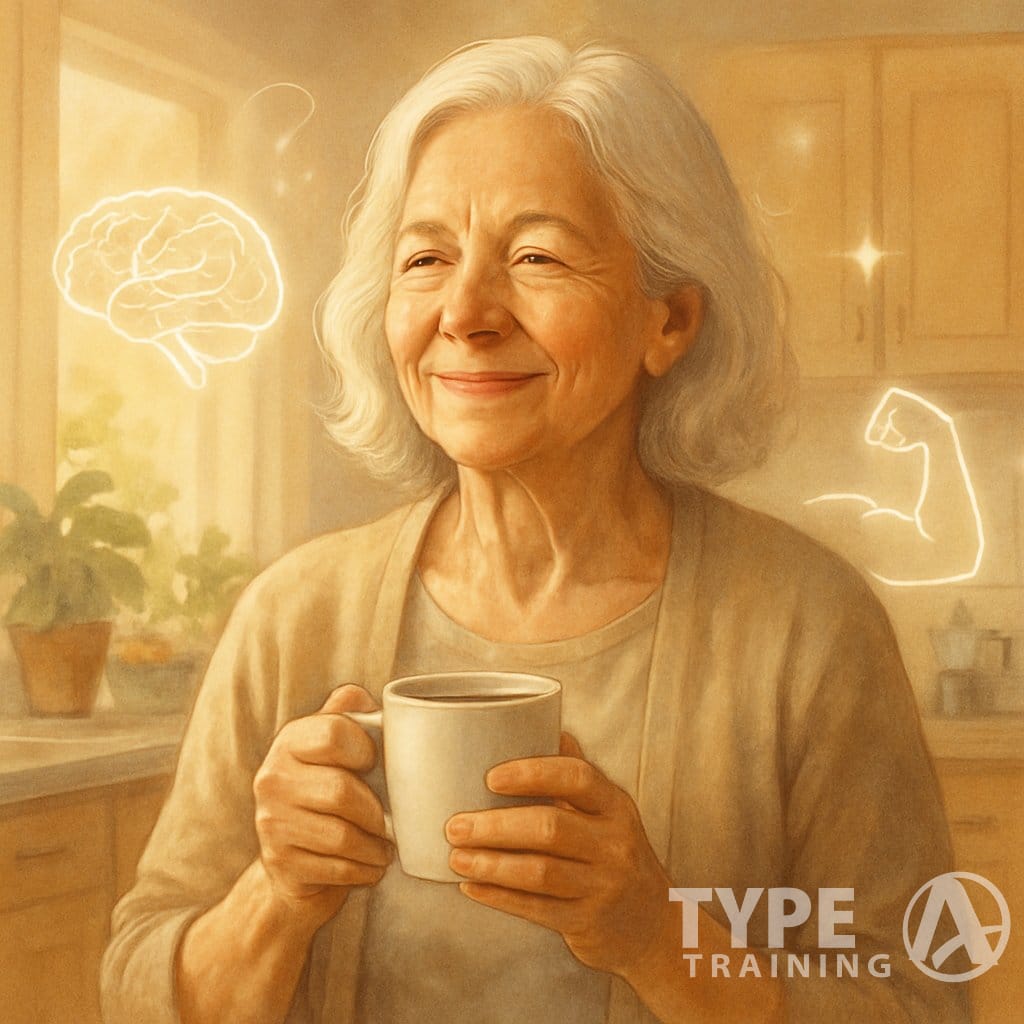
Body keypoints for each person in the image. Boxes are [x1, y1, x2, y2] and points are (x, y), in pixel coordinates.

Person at [102, 37, 968, 1024]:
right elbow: (136, 994)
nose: (464, 312)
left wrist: (657, 935)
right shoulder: (292, 616)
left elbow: (921, 1004)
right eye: (425, 258)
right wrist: (277, 892)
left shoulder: (806, 626)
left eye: (536, 257)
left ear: (669, 320)